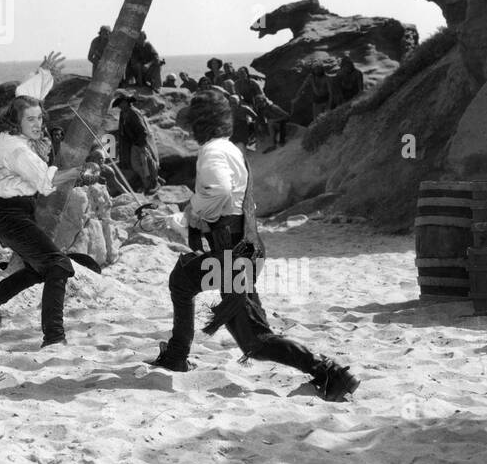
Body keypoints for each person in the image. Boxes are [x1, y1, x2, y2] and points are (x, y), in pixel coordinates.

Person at [150, 90, 359, 400]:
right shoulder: (231, 150)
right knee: (182, 278)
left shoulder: (212, 152)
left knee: (255, 342)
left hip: (231, 253)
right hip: (241, 249)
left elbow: (217, 193)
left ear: (199, 124)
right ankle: (177, 355)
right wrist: (179, 219)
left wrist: (192, 213)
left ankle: (329, 372)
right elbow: (227, 204)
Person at [0, 52, 84, 347]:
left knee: (37, 269)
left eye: (40, 118)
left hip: (16, 213)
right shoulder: (17, 151)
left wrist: (44, 73)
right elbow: (47, 183)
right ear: (17, 122)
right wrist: (81, 172)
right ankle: (54, 338)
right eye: (31, 120)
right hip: (11, 217)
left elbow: (25, 95)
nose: (38, 124)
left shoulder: (14, 133)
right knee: (57, 266)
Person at [115, 92, 160, 192]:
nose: (120, 106)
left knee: (146, 163)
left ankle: (153, 184)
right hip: (133, 143)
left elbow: (143, 130)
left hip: (141, 143)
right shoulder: (123, 113)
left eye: (122, 103)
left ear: (127, 103)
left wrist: (141, 145)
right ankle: (147, 184)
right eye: (119, 104)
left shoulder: (134, 113)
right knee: (137, 165)